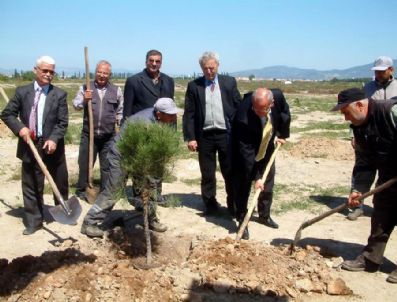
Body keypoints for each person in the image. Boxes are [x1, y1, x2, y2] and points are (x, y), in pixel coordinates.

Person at [80, 98, 179, 238]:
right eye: (171, 115)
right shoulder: (144, 124)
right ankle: (89, 223)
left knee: (148, 188)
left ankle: (149, 218)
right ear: (159, 114)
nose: (174, 118)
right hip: (121, 156)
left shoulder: (159, 119)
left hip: (138, 155)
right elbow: (140, 150)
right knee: (113, 191)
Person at [331, 88, 397, 284]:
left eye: (346, 112)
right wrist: (358, 189)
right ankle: (371, 258)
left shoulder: (391, 111)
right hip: (388, 177)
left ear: (360, 105)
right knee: (381, 216)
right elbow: (364, 161)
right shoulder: (359, 127)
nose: (345, 119)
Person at [0, 55, 69, 235]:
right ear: (35, 70)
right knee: (31, 184)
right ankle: (34, 220)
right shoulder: (22, 92)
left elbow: (62, 122)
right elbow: (7, 114)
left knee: (60, 181)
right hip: (30, 144)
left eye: (51, 72)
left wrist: (54, 138)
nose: (48, 74)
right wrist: (20, 128)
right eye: (45, 70)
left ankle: (63, 212)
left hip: (53, 145)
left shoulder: (59, 94)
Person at [182, 51, 241, 215]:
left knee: (229, 171)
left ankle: (233, 204)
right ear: (201, 68)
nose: (209, 71)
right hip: (205, 136)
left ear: (218, 66)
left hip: (226, 135)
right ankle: (210, 204)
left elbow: (238, 107)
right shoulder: (194, 86)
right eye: (206, 68)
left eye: (212, 68)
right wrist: (191, 138)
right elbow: (189, 114)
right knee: (207, 173)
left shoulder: (229, 82)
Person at [232, 88, 290, 239]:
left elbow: (284, 113)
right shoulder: (243, 117)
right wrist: (256, 176)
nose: (258, 112)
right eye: (255, 109)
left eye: (262, 110)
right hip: (245, 150)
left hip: (267, 144)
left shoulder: (278, 96)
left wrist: (282, 134)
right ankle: (242, 219)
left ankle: (264, 215)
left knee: (268, 182)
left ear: (272, 103)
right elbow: (247, 153)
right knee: (243, 186)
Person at [348, 56, 397, 220]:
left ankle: (385, 208)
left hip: (390, 139)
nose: (378, 74)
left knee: (388, 174)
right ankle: (357, 205)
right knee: (362, 169)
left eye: (382, 71)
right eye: (376, 71)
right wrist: (353, 134)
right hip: (368, 136)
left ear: (391, 70)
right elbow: (356, 112)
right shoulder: (367, 88)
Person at [123, 49, 174, 205]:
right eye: (151, 60)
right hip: (141, 129)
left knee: (158, 163)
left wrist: (172, 131)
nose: (154, 64)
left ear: (161, 62)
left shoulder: (168, 80)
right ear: (146, 61)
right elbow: (127, 110)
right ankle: (138, 195)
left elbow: (170, 108)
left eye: (157, 61)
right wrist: (126, 131)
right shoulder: (134, 81)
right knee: (140, 163)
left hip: (161, 130)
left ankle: (156, 194)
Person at [73, 60, 123, 201]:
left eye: (105, 73)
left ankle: (105, 191)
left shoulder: (116, 90)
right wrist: (84, 99)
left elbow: (120, 111)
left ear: (110, 75)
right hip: (89, 135)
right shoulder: (86, 88)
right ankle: (82, 190)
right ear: (95, 73)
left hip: (108, 136)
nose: (102, 75)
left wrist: (119, 127)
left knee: (107, 165)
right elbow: (76, 106)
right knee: (84, 163)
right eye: (99, 72)